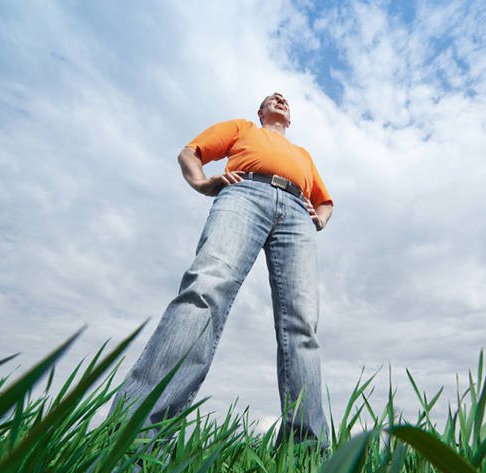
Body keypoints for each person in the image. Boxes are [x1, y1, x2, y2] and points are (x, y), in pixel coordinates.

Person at [113, 92, 333, 447]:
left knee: (302, 324)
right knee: (205, 289)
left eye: (284, 100)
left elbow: (324, 200)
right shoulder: (242, 128)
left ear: (289, 119)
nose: (279, 98)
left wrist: (318, 221)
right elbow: (191, 152)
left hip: (296, 213)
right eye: (270, 98)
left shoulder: (303, 156)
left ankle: (304, 456)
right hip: (245, 191)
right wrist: (201, 182)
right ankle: (136, 436)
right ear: (260, 112)